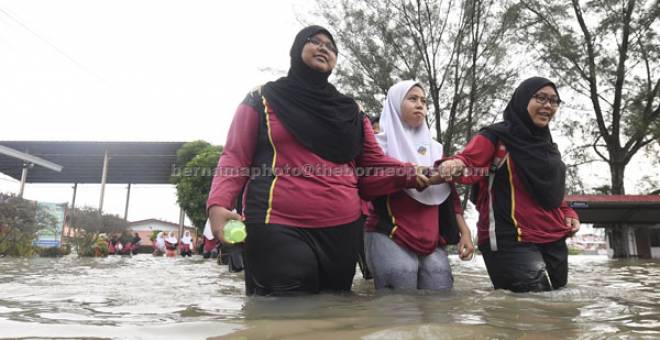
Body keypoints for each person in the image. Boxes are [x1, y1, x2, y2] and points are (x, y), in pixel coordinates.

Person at [207, 25, 436, 296]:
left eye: (330, 46)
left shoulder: (351, 110)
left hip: (343, 231)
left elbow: (373, 163)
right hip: (277, 224)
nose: (323, 47)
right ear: (296, 49)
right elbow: (235, 155)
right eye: (314, 41)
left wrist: (415, 172)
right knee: (284, 315)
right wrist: (218, 204)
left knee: (334, 313)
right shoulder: (263, 97)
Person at [438, 76, 580, 292]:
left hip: (553, 239)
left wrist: (568, 212)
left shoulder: (549, 147)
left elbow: (552, 191)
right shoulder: (496, 137)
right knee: (532, 308)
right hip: (510, 239)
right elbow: (468, 161)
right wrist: (455, 163)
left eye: (554, 101)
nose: (548, 105)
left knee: (559, 310)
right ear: (523, 100)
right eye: (541, 98)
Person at [363, 80, 474, 291]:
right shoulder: (377, 145)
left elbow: (449, 196)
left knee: (440, 300)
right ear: (395, 104)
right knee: (400, 305)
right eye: (412, 99)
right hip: (390, 232)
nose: (420, 105)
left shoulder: (436, 149)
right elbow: (365, 186)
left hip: (431, 238)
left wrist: (465, 232)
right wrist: (406, 176)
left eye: (424, 101)